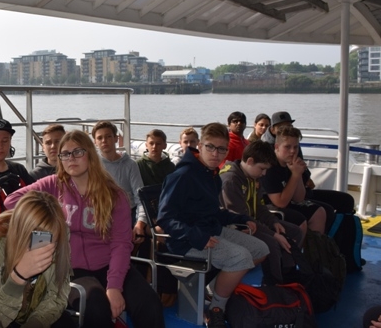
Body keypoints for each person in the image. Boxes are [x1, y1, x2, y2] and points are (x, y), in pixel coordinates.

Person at [4, 130, 163, 328]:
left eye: (78, 152)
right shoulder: (53, 185)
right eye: (65, 154)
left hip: (110, 264)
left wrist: (114, 286)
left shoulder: (114, 195)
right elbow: (11, 201)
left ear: (90, 155)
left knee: (149, 304)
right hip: (70, 268)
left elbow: (121, 244)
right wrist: (47, 213)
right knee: (96, 306)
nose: (71, 158)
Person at [157, 122, 270, 328]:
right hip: (186, 241)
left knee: (260, 249)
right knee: (240, 257)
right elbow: (165, 219)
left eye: (222, 149)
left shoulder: (212, 175)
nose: (216, 154)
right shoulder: (183, 176)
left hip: (211, 229)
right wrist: (197, 237)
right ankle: (217, 308)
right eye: (210, 147)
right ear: (200, 146)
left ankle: (214, 290)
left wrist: (240, 219)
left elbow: (213, 212)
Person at [0, 190, 75, 328]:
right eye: (40, 239)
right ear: (22, 233)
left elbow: (56, 296)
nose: (47, 245)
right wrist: (19, 276)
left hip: (31, 299)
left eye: (51, 238)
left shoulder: (59, 231)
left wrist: (35, 324)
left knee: (65, 322)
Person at [220, 141, 305, 285]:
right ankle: (273, 284)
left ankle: (287, 272)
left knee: (295, 231)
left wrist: (274, 222)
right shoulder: (231, 180)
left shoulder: (253, 177)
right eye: (262, 169)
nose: (264, 173)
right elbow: (239, 218)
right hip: (236, 226)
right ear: (250, 161)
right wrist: (273, 234)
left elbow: (260, 207)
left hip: (251, 221)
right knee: (271, 243)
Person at [135, 129, 178, 306]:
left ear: (164, 145)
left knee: (166, 235)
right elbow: (137, 194)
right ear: (146, 145)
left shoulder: (170, 167)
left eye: (158, 143)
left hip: (165, 212)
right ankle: (151, 282)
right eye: (151, 143)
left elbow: (173, 195)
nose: (154, 147)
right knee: (157, 236)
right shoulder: (139, 166)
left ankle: (165, 285)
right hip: (145, 212)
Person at [259, 126, 327, 233]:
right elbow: (280, 203)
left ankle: (315, 243)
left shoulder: (290, 163)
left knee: (319, 212)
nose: (292, 151)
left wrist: (298, 174)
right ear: (277, 147)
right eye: (287, 147)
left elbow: (299, 198)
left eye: (296, 147)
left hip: (287, 201)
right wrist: (295, 175)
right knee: (300, 221)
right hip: (269, 206)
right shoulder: (270, 167)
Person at [91, 121, 147, 247]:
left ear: (116, 138)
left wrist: (140, 223)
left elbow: (140, 197)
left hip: (127, 214)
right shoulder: (92, 166)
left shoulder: (130, 165)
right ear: (95, 142)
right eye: (100, 138)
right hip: (101, 214)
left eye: (108, 136)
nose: (104, 140)